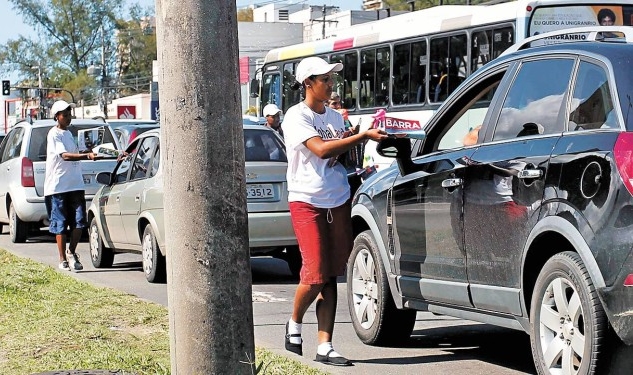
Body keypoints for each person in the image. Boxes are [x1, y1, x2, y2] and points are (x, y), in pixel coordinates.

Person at [281, 56, 387, 366]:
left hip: (337, 199)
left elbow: (339, 156)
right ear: (308, 84)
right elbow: (321, 149)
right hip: (307, 201)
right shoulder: (295, 116)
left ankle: (325, 345)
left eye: (332, 78)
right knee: (314, 274)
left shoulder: (335, 118)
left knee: (330, 274)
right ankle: (293, 322)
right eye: (325, 79)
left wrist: (358, 141)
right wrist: (361, 136)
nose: (331, 84)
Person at [45, 100, 99, 271]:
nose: (68, 118)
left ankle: (71, 252)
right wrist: (86, 156)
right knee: (60, 224)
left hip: (75, 184)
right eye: (65, 115)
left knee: (79, 222)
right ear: (57, 117)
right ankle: (62, 259)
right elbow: (65, 156)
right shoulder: (54, 134)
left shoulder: (68, 134)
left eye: (69, 115)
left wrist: (93, 152)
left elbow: (74, 153)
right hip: (58, 187)